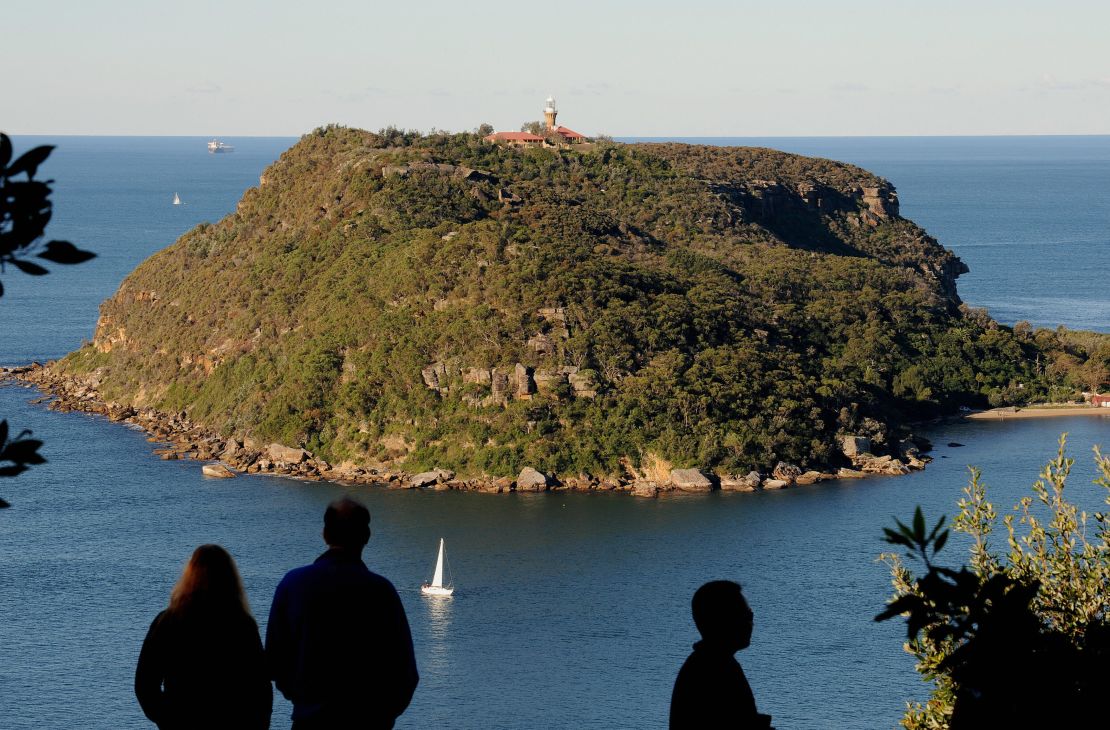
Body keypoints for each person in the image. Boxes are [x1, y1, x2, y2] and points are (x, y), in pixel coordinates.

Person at [266, 497, 418, 729]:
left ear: (325, 534)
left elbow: (275, 662)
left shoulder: (293, 584)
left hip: (310, 720)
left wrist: (302, 699)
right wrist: (382, 717)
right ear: (366, 537)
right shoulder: (382, 592)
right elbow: (405, 673)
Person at [135, 544, 272, 729]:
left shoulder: (168, 622)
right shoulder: (242, 624)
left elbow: (145, 684)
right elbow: (260, 687)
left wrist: (167, 719)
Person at [669, 580, 772, 729]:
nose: (751, 623)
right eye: (746, 617)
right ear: (724, 620)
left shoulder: (701, 663)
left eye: (751, 616)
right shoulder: (720, 668)